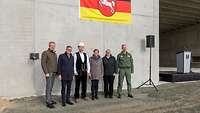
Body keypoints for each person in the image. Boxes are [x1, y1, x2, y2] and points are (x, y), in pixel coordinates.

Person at [41, 41, 58, 108]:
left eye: (54, 45)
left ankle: (50, 99)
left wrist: (56, 72)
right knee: (48, 87)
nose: (53, 46)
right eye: (51, 45)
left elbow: (55, 63)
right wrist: (46, 72)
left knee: (51, 87)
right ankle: (48, 102)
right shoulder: (45, 53)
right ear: (49, 45)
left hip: (54, 72)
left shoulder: (54, 54)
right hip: (49, 73)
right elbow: (43, 63)